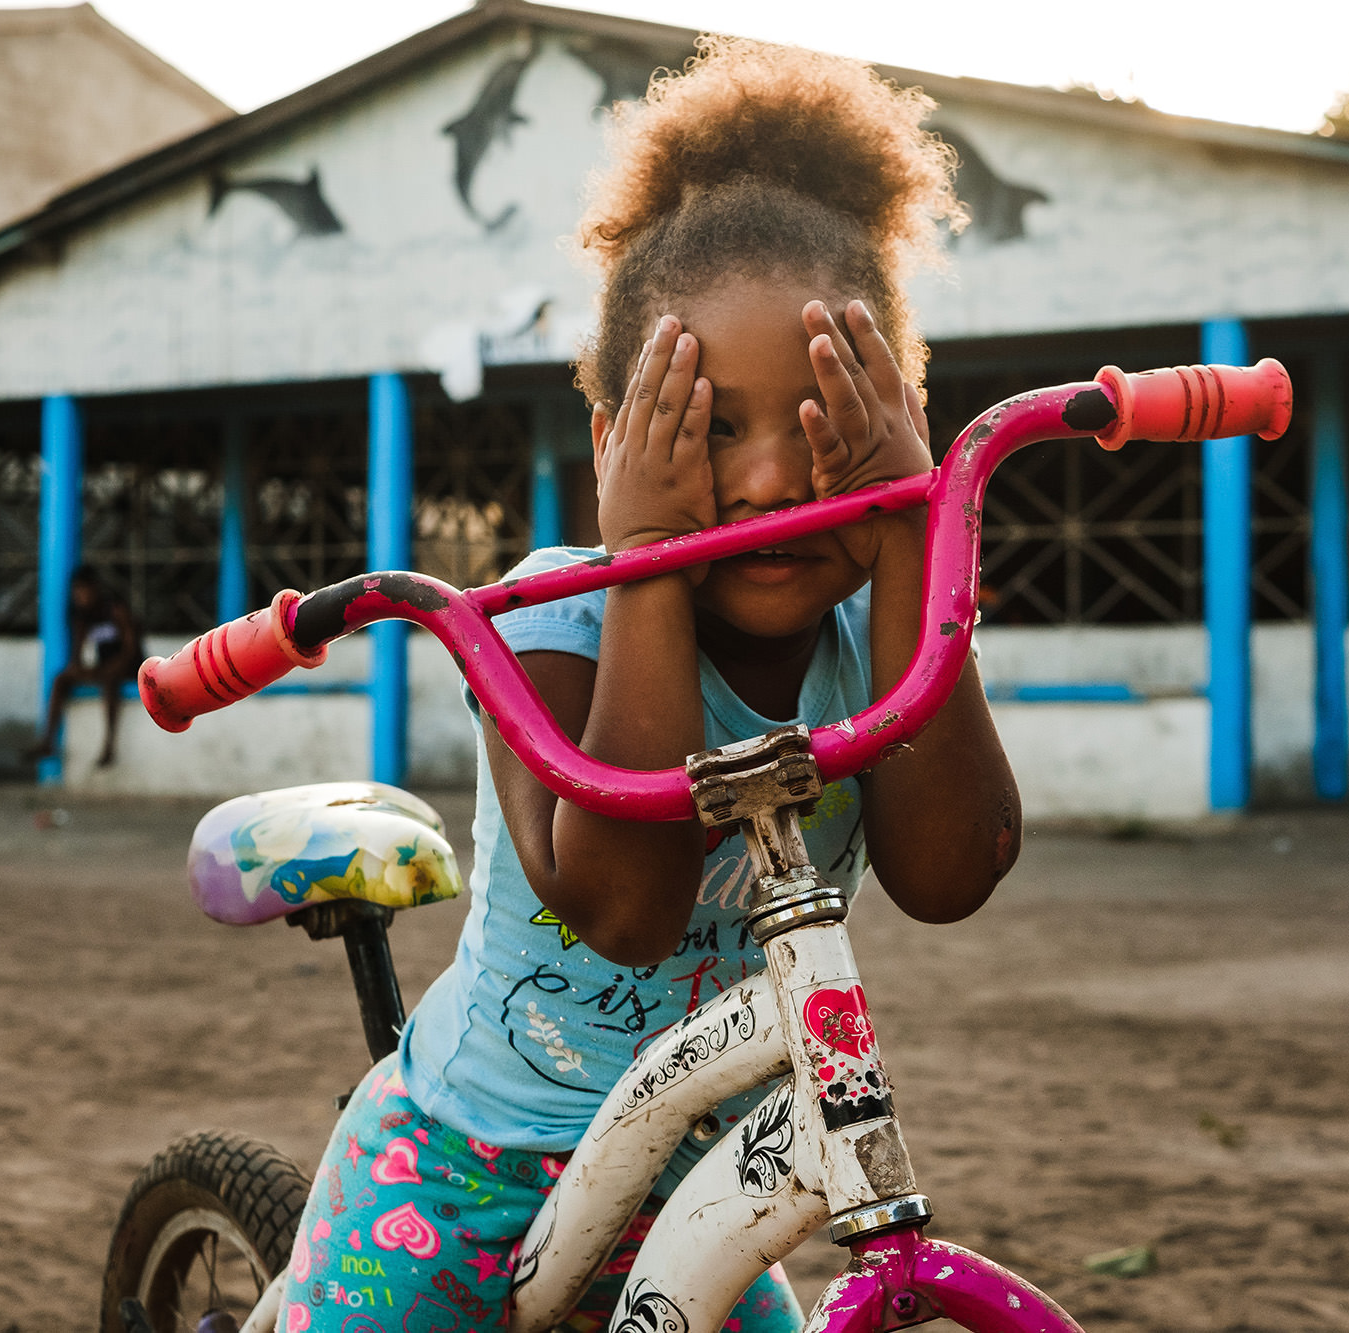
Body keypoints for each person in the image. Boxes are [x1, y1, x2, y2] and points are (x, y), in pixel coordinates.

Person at [274, 38, 1021, 1333]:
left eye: (827, 420)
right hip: (457, 1169)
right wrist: (649, 565)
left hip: (689, 1185)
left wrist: (908, 527)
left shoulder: (867, 635)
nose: (778, 483)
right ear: (617, 441)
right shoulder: (553, 616)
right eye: (711, 427)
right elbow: (625, 905)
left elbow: (953, 872)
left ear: (894, 415)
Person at [24, 565, 142, 768]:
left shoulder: (115, 609)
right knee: (61, 679)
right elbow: (77, 654)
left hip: (129, 667)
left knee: (110, 680)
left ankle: (109, 745)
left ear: (95, 589)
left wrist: (111, 668)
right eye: (76, 591)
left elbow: (131, 650)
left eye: (83, 590)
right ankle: (48, 741)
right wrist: (78, 669)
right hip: (103, 667)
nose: (80, 596)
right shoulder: (81, 617)